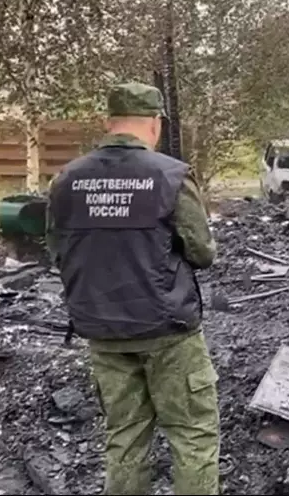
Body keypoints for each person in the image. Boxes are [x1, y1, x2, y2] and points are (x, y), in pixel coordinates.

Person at [45, 82, 220, 495]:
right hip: (168, 332)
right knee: (192, 435)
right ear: (155, 124)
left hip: (102, 330)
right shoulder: (171, 176)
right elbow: (202, 253)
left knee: (124, 437)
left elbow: (57, 252)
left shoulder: (65, 181)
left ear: (108, 123)